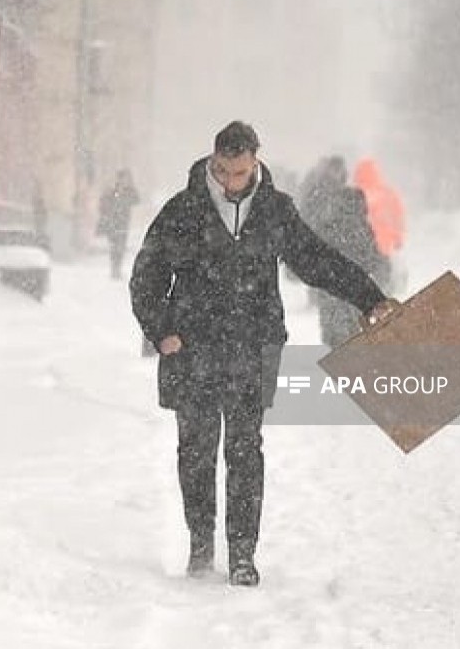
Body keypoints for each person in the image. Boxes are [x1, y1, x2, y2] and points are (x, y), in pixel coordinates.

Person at [129, 121, 396, 586]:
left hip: (251, 347)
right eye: (224, 171)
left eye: (239, 172)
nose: (231, 182)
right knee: (196, 450)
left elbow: (317, 260)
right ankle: (200, 545)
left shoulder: (274, 210)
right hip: (191, 348)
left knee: (245, 451)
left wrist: (369, 298)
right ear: (214, 161)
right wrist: (160, 330)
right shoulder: (183, 209)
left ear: (255, 162)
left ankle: (242, 555)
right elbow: (146, 275)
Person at [299, 155, 386, 345]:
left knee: (344, 327)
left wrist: (375, 260)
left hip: (342, 271)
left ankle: (348, 359)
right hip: (337, 271)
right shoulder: (328, 199)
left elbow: (365, 234)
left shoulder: (335, 199)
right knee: (341, 327)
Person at [353, 157, 407, 295]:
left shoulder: (355, 195)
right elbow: (398, 216)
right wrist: (399, 237)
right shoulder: (388, 193)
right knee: (390, 281)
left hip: (364, 247)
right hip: (387, 245)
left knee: (365, 280)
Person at [97, 168, 139, 280]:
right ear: (119, 178)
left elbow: (137, 200)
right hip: (113, 223)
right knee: (114, 247)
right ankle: (114, 270)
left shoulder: (129, 191)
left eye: (127, 179)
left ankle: (117, 269)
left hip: (124, 224)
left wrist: (131, 187)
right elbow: (103, 204)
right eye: (124, 178)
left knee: (121, 247)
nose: (125, 181)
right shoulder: (112, 190)